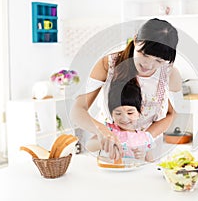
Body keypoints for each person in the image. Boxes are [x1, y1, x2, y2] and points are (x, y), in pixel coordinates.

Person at [70, 18, 182, 160]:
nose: (148, 64)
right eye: (144, 54)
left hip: (145, 149)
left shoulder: (170, 74)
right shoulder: (109, 64)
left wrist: (144, 138)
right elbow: (77, 110)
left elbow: (172, 114)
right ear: (135, 40)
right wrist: (102, 131)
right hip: (109, 144)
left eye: (159, 61)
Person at [88, 78, 155, 162]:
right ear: (111, 113)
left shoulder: (145, 138)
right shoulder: (108, 130)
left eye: (130, 113)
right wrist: (105, 143)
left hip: (134, 174)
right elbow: (89, 146)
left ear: (140, 110)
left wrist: (142, 157)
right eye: (118, 113)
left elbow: (151, 164)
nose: (124, 118)